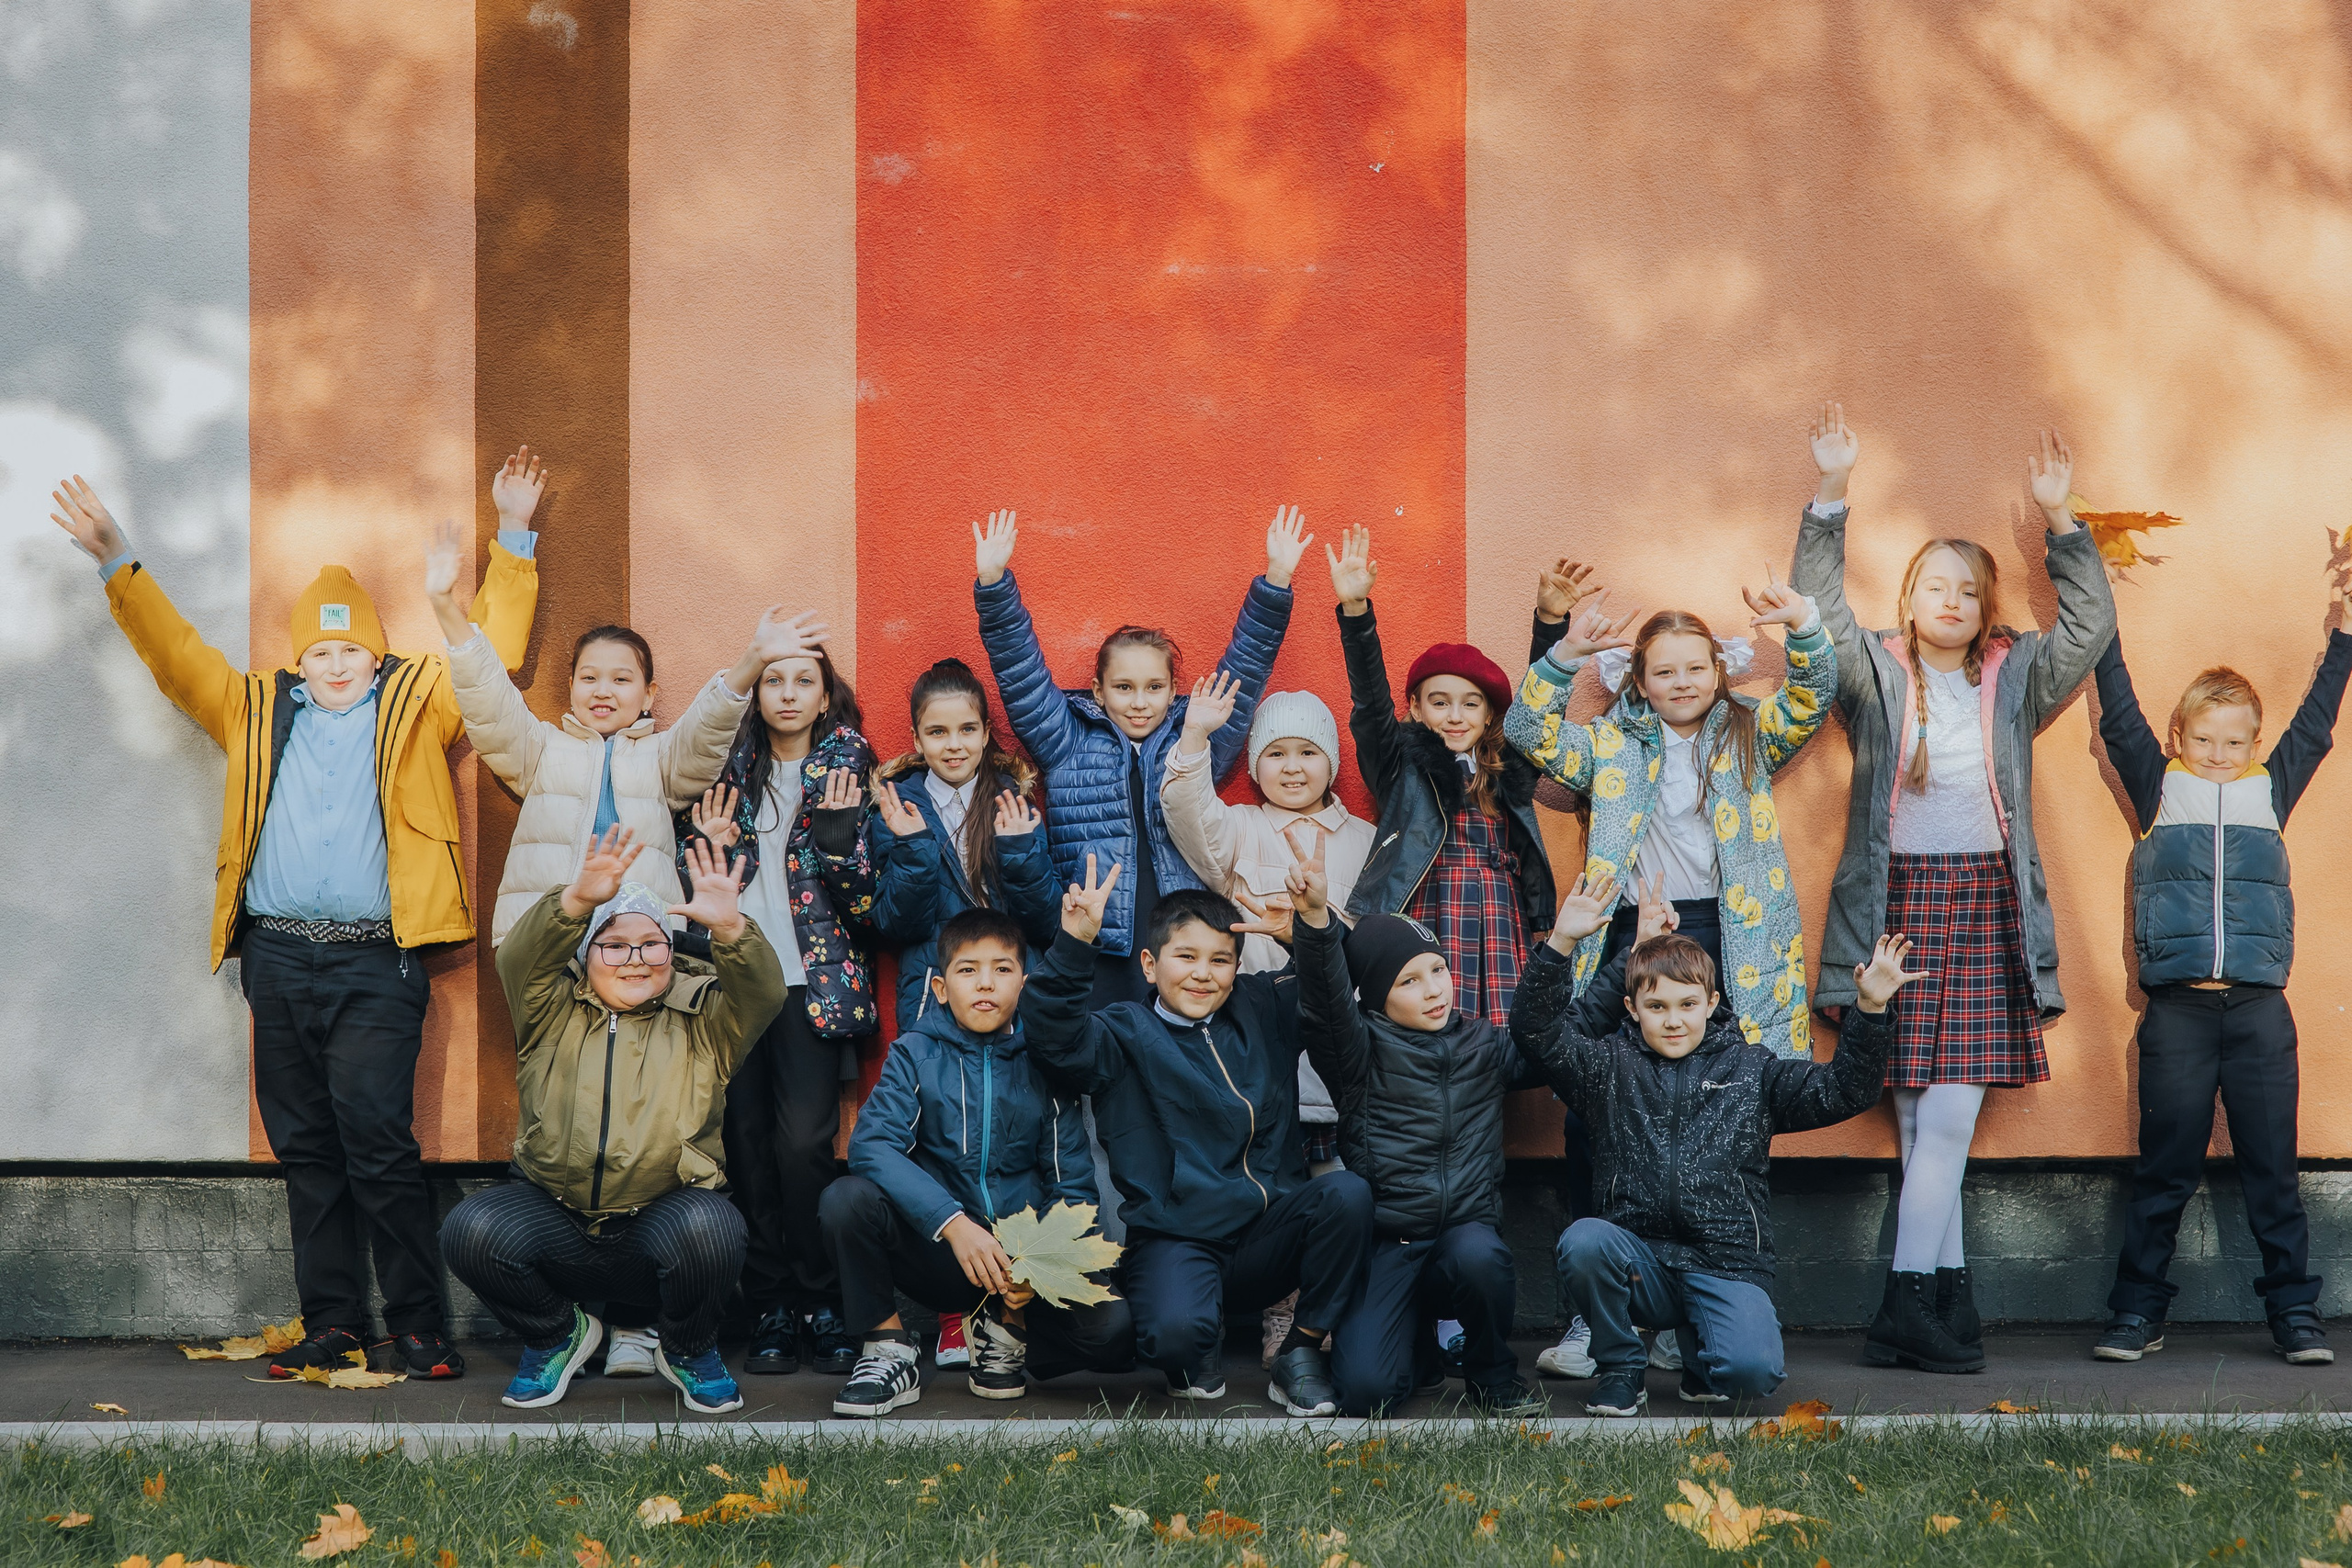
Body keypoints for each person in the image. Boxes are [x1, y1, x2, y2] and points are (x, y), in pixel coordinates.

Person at [50, 457, 546, 1382]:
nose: (336, 664)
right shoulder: (253, 706)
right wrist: (118, 557)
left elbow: (493, 653)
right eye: (320, 652)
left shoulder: (419, 702)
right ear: (300, 659)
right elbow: (177, 656)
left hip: (376, 964)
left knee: (379, 1145)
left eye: (351, 650)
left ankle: (418, 1325)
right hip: (277, 961)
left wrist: (512, 535)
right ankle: (333, 1324)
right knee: (308, 1150)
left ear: (375, 654)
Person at [1792, 404, 2117, 1373]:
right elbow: (1816, 611)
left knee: (1947, 1113)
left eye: (1968, 590)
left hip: (1983, 906)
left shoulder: (2017, 675)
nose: (1951, 600)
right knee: (1915, 1116)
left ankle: (1913, 1303)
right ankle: (1938, 1299)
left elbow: (2090, 626)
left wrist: (2061, 521)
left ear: (1984, 609)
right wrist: (1831, 492)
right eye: (1934, 585)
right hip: (1895, 908)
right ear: (1909, 598)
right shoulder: (1872, 673)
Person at [2087, 588, 2352, 1367]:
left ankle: (2295, 1313)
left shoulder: (2271, 787)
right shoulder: (2158, 786)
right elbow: (2118, 713)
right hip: (2179, 1012)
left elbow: (2317, 722)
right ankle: (2137, 1312)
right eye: (2203, 738)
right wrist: (2097, 616)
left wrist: (2344, 639)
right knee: (2164, 1169)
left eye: (2234, 741)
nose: (2218, 752)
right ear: (2180, 736)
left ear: (2254, 744)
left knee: (2273, 1170)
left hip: (2260, 1013)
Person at [438, 827, 786, 1414]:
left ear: (671, 953)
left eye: (651, 944)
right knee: (471, 1228)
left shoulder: (707, 1019)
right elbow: (521, 958)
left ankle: (688, 1348)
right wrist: (576, 902)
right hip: (558, 1221)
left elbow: (764, 994)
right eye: (614, 945)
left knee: (714, 1228)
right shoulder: (548, 1007)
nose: (635, 960)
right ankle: (556, 1335)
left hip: (660, 1225)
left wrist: (731, 930)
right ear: (587, 953)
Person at [1514, 922, 1914, 1416]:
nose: (1673, 1021)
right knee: (1584, 1241)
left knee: (1752, 1374)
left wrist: (1871, 1008)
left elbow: (1845, 1090)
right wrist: (1561, 944)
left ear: (1711, 1002)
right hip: (1640, 1261)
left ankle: (1699, 1359)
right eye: (1656, 1007)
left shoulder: (1752, 1070)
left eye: (1687, 1004)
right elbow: (1534, 1032)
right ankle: (1621, 1368)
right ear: (1632, 1008)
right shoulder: (1606, 1068)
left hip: (1725, 1262)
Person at [1022, 861, 1375, 1416]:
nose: (1202, 974)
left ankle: (1301, 1350)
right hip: (1175, 1239)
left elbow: (1334, 993)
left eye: (1220, 960)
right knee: (1176, 1342)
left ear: (1237, 968)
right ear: (1149, 965)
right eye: (1185, 957)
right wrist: (1075, 942)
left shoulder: (1263, 1006)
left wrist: (1310, 928)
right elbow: (1051, 1035)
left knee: (1347, 1193)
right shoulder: (1120, 1033)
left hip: (1266, 1236)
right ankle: (1193, 1336)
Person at [1503, 557, 1838, 1057]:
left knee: (1737, 1069)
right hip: (1636, 930)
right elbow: (1528, 732)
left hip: (1734, 933)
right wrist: (1566, 654)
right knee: (1628, 1070)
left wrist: (1803, 624)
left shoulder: (1750, 733)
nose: (1682, 682)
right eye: (1664, 672)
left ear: (1717, 672)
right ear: (1640, 683)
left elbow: (1811, 697)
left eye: (1696, 669)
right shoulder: (1610, 745)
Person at [426, 529, 828, 947]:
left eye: (621, 680)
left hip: (640, 943)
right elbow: (490, 701)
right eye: (589, 678)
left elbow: (706, 730)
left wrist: (754, 660)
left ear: (648, 694)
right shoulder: (541, 749)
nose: (603, 691)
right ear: (571, 687)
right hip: (548, 940)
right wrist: (444, 605)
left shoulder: (661, 755)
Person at [972, 506, 1303, 1008]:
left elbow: (1247, 666)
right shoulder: (1067, 740)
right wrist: (994, 584)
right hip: (1099, 939)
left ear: (1173, 691)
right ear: (1098, 691)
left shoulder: (1196, 737)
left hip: (1182, 938)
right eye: (1124, 687)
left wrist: (1276, 581)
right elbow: (1021, 674)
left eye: (1154, 687)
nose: (1140, 702)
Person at [820, 907, 1135, 1416]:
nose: (985, 983)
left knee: (1113, 1334)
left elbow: (1072, 1184)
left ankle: (1006, 1330)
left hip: (1020, 1262)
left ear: (1024, 985)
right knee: (846, 1200)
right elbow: (872, 1145)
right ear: (941, 989)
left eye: (1002, 969)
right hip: (944, 1250)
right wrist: (952, 1223)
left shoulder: (1045, 1061)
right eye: (968, 969)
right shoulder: (915, 1053)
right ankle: (888, 1348)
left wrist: (1036, 1266)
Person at [1284, 830, 1551, 1415]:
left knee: (1481, 1258)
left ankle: (1491, 1374)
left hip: (1464, 1240)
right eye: (1409, 981)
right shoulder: (1355, 1055)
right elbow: (1326, 1004)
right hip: (1390, 1244)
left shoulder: (1483, 1044)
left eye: (1438, 970)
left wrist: (1564, 948)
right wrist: (1315, 922)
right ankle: (1417, 1348)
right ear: (1376, 996)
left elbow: (1550, 1039)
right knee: (1367, 1394)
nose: (1434, 990)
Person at [677, 638, 880, 1378]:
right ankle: (769, 1304)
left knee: (803, 1148)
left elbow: (867, 904)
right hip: (736, 983)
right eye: (773, 680)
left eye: (804, 681)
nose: (788, 693)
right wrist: (711, 846)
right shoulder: (723, 774)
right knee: (747, 1146)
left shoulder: (850, 773)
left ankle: (821, 1302)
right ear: (756, 695)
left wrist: (839, 842)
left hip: (811, 988)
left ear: (825, 697)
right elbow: (694, 892)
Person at [1160, 672, 1374, 1364]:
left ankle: (1326, 1315)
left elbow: (1379, 943)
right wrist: (1196, 737)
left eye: (1308, 753)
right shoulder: (1239, 828)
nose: (1292, 767)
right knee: (1280, 1181)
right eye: (1275, 754)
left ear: (1332, 764)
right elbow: (1187, 811)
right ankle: (1281, 1315)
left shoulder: (1368, 839)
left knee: (1339, 1178)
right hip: (1261, 1041)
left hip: (1338, 1040)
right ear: (1254, 766)